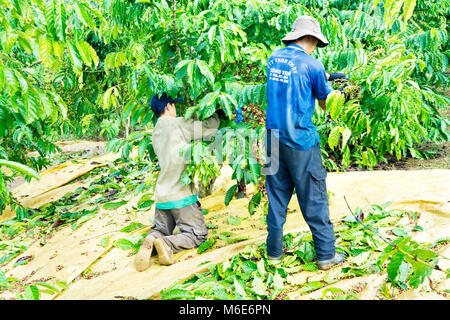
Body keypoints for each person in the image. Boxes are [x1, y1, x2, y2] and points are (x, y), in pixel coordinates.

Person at [264, 16, 347, 270]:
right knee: (314, 198)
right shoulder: (312, 64)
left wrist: (327, 76)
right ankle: (325, 255)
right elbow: (328, 107)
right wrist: (340, 93)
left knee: (276, 197)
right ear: (311, 39)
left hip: (273, 139)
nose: (315, 49)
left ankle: (274, 254)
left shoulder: (274, 58)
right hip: (300, 140)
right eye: (315, 44)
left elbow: (294, 75)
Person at [135, 92, 221, 271]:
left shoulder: (156, 131)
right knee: (197, 235)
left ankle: (151, 239)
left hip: (162, 196)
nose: (176, 109)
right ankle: (166, 244)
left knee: (160, 228)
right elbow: (210, 127)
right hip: (180, 195)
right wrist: (216, 109)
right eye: (174, 105)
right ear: (168, 107)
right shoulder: (178, 124)